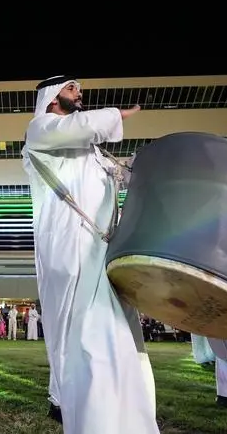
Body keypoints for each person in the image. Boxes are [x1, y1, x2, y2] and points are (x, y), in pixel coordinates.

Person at [21, 75, 157, 433]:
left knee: (104, 329)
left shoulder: (89, 150)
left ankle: (98, 406)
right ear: (52, 99)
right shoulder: (40, 129)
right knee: (81, 330)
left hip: (101, 244)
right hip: (70, 244)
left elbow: (114, 174)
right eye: (71, 89)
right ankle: (88, 412)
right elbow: (83, 125)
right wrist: (117, 115)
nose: (79, 94)